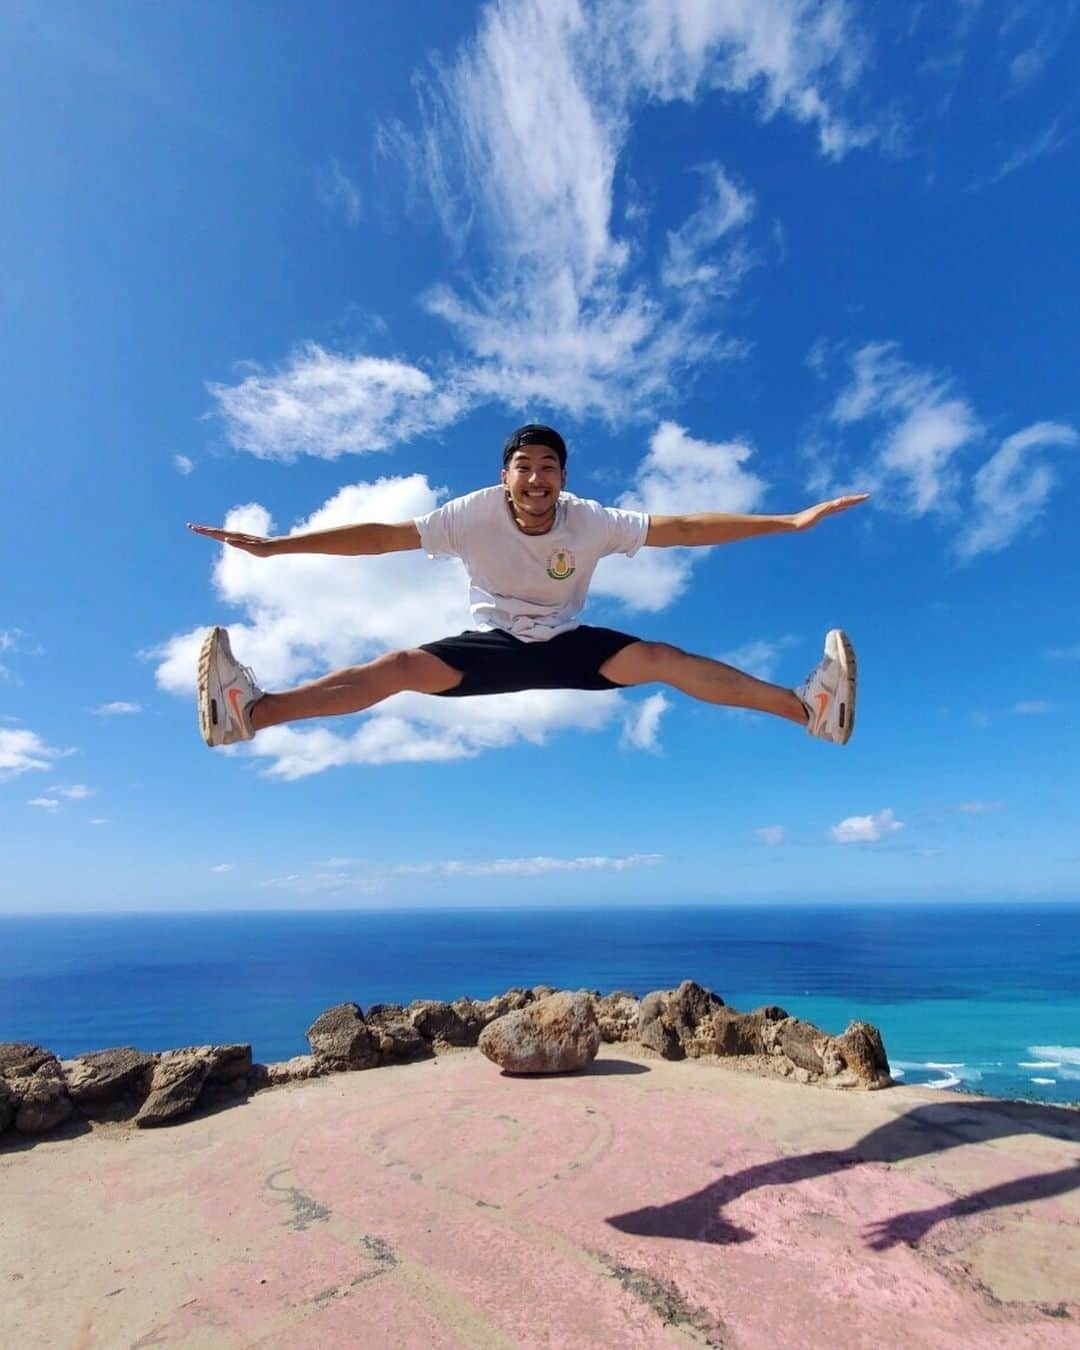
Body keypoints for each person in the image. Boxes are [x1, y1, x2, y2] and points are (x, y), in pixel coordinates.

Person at [188, 424, 867, 751]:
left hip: (567, 643)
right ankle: (248, 712)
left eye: (549, 467)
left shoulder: (591, 520)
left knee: (662, 658)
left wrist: (789, 521)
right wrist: (278, 545)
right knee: (393, 668)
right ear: (506, 476)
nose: (537, 478)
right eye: (524, 467)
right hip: (492, 643)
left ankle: (812, 710)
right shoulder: (469, 515)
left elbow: (684, 527)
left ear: (563, 478)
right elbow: (381, 537)